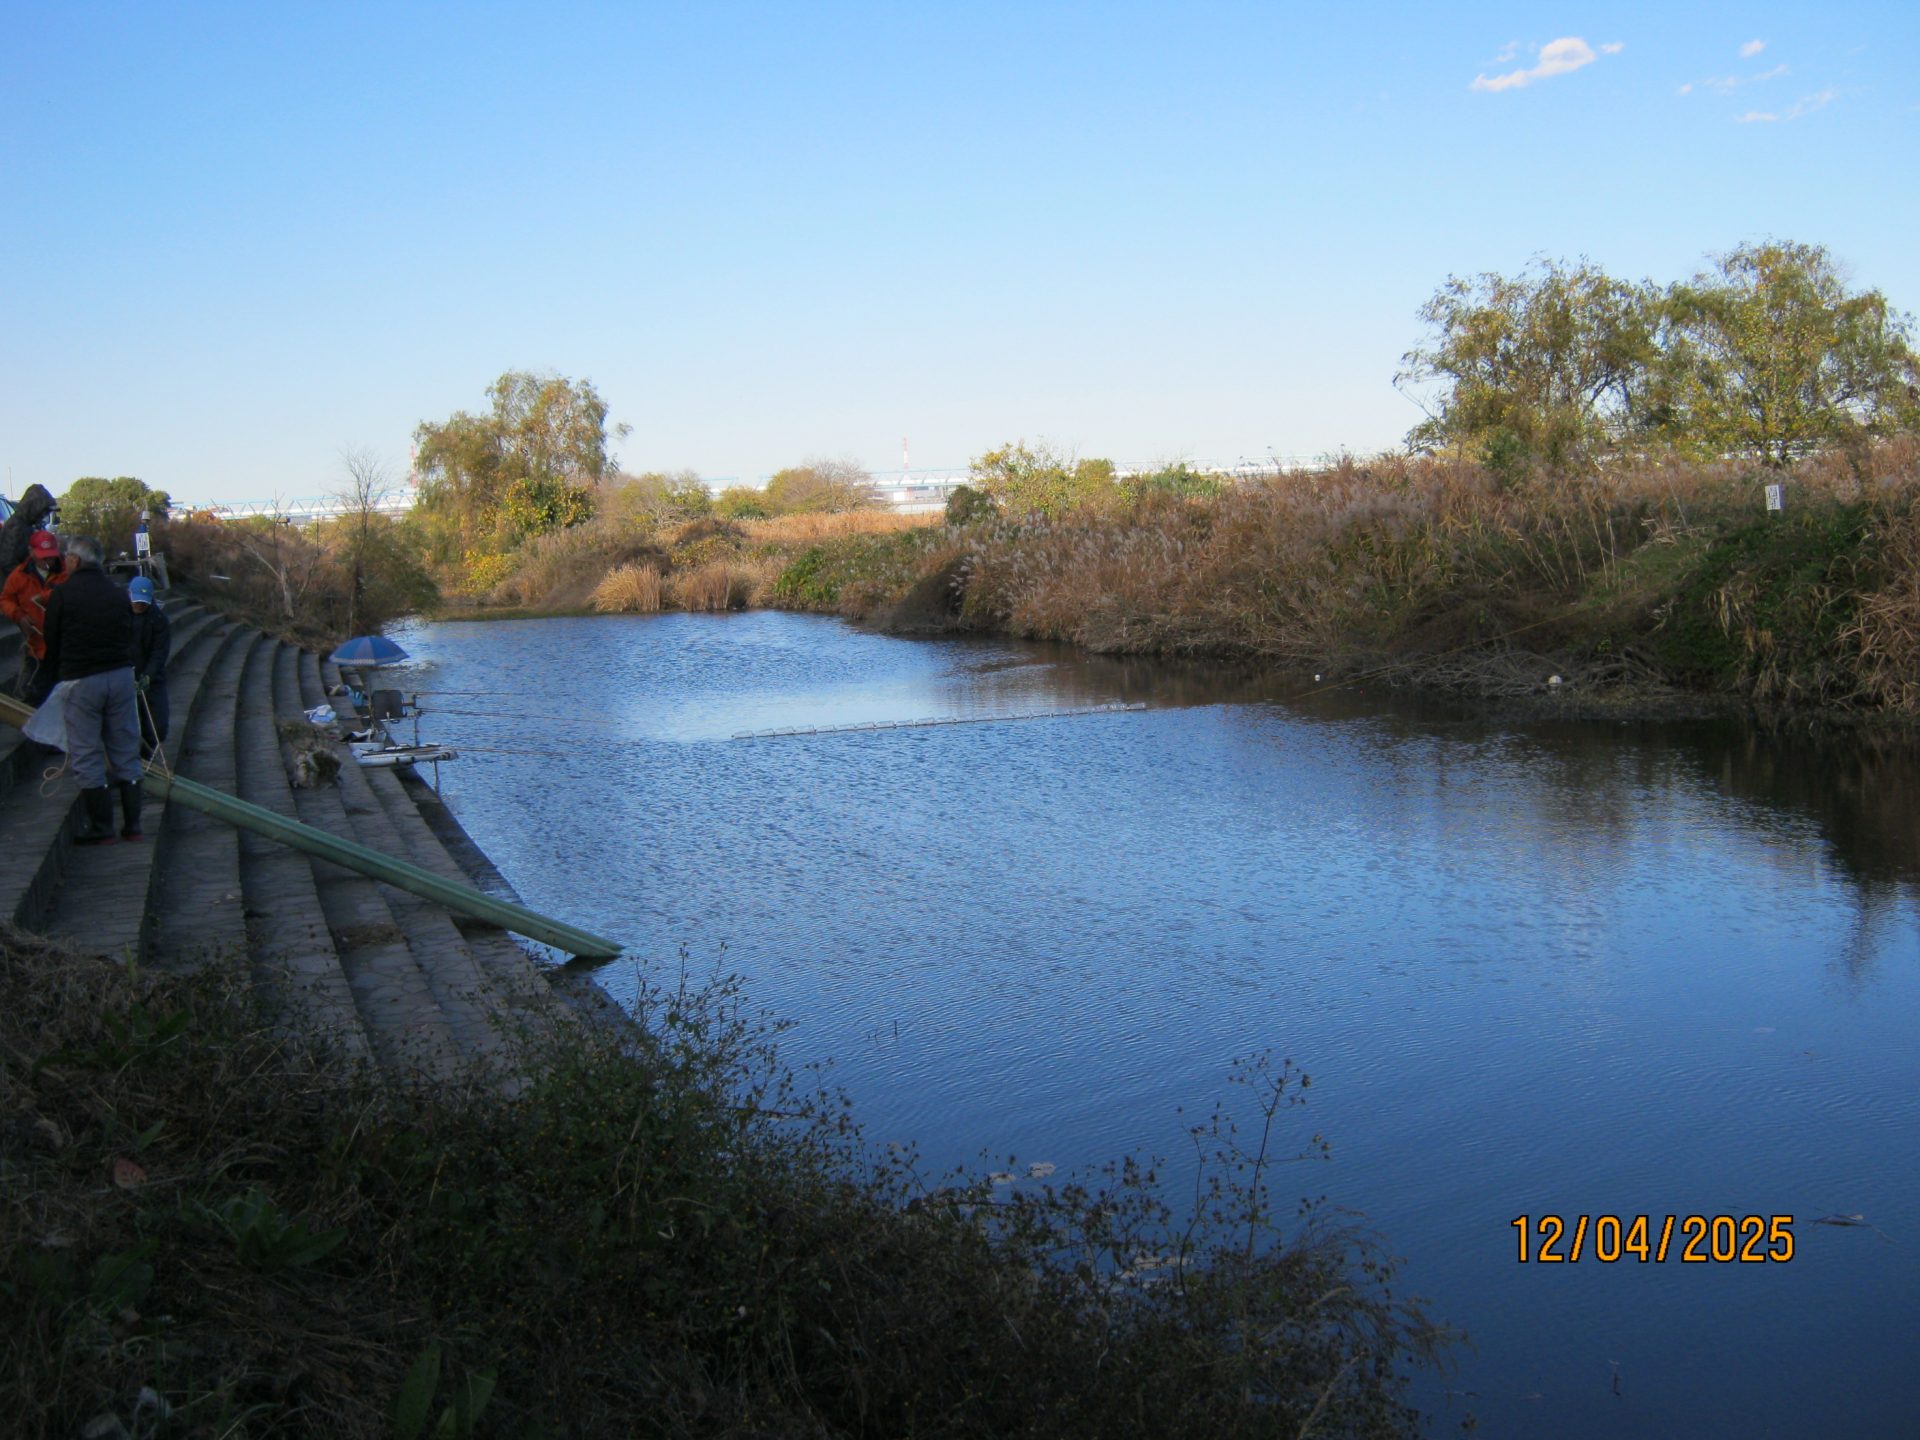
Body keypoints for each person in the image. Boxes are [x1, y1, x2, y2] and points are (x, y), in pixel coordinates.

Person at [41, 536, 142, 843]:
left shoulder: (63, 594)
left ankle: (102, 828)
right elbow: (129, 634)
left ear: (74, 560)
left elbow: (51, 639)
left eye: (67, 558)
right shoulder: (116, 594)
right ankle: (133, 826)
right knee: (125, 749)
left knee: (86, 752)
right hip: (121, 676)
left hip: (82, 679)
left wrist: (49, 680)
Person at [1, 530, 71, 702]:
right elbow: (5, 599)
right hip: (36, 646)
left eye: (50, 556)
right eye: (42, 556)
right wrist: (18, 616)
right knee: (31, 695)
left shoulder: (68, 573)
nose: (47, 561)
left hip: (66, 645)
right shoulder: (19, 575)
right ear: (31, 552)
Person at [128, 576, 171, 759]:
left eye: (143, 603)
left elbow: (159, 652)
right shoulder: (119, 614)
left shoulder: (158, 619)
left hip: (152, 679)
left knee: (157, 724)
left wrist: (148, 676)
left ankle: (148, 756)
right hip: (126, 676)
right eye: (136, 602)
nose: (139, 606)